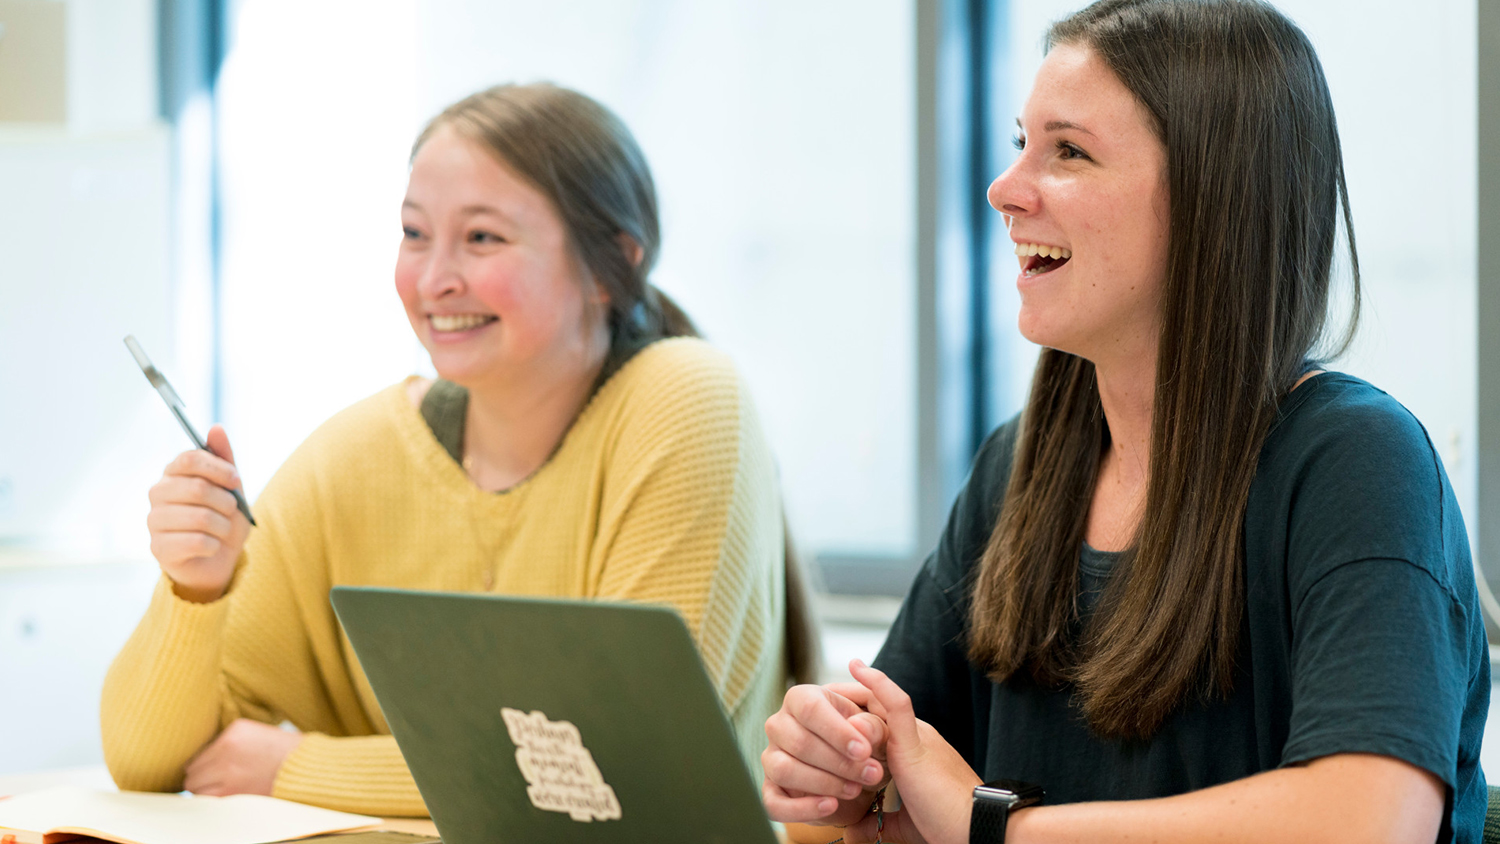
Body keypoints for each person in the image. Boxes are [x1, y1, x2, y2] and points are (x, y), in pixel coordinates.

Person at [763, 1, 1487, 843]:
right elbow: (868, 800)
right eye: (1020, 144)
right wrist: (833, 774)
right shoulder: (1020, 466)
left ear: (1219, 196)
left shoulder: (1356, 461)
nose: (1005, 190)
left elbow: (1368, 822)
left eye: (1068, 151)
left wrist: (997, 830)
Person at [101, 82, 817, 817]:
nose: (434, 279)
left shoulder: (685, 396)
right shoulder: (358, 454)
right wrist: (194, 590)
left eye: (482, 238)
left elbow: (622, 760)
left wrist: (296, 766)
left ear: (612, 267)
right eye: (414, 234)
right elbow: (149, 763)